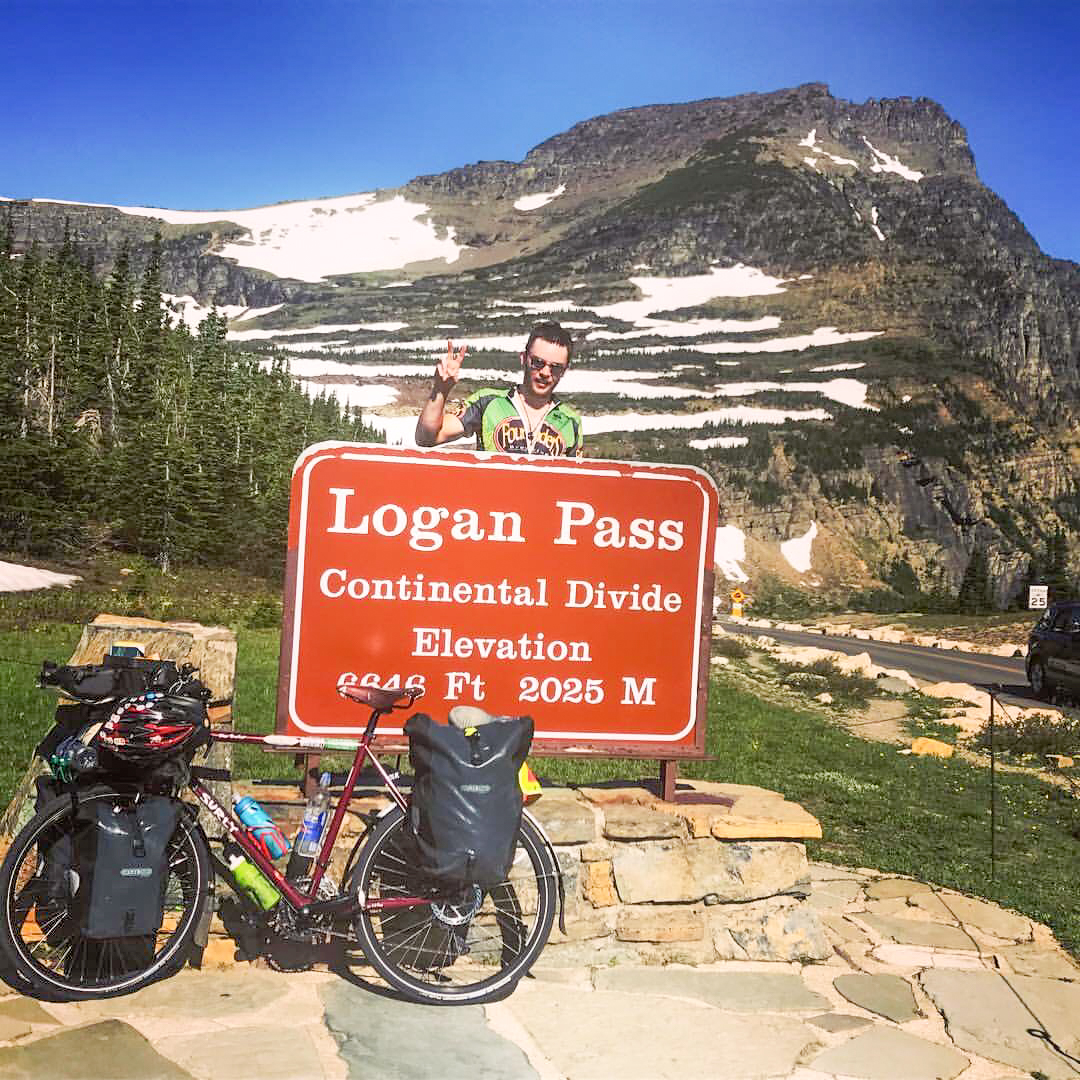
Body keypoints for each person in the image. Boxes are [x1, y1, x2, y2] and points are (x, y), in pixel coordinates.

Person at [414, 321, 583, 457]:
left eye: (555, 367)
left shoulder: (571, 422)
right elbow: (427, 438)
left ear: (564, 371)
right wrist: (440, 390)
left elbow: (575, 481)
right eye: (538, 362)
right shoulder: (487, 402)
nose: (546, 372)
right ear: (524, 359)